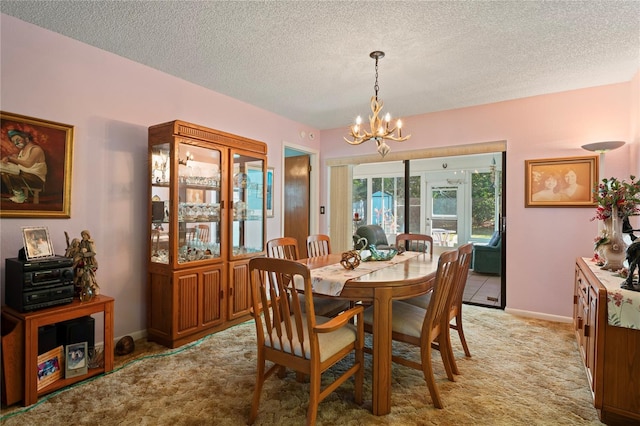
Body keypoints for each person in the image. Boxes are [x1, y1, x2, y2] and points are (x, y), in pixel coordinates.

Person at [1, 129, 47, 202]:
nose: (16, 143)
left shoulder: (36, 150)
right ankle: (17, 194)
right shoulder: (22, 151)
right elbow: (17, 159)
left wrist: (10, 159)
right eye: (14, 142)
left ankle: (20, 196)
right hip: (24, 175)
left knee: (10, 175)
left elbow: (28, 164)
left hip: (36, 179)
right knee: (3, 172)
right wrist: (6, 159)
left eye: (18, 140)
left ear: (26, 139)